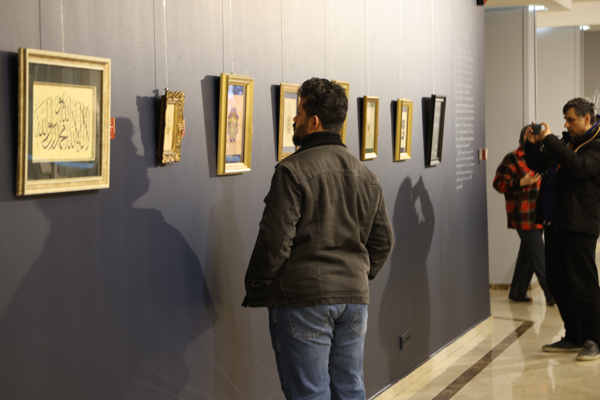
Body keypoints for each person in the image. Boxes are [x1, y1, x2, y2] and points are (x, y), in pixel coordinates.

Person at [242, 77, 393, 398]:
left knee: (310, 394)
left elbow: (274, 242)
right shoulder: (367, 176)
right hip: (354, 300)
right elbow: (383, 242)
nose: (293, 119)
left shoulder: (291, 171)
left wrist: (257, 284)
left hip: (303, 299)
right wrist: (356, 275)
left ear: (314, 122)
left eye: (297, 112)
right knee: (350, 389)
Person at [524, 98, 600, 361]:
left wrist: (550, 140)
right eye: (565, 119)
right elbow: (539, 165)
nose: (566, 124)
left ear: (587, 119)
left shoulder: (596, 144)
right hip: (556, 224)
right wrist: (532, 144)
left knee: (583, 285)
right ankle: (574, 336)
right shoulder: (568, 143)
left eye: (570, 120)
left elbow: (579, 167)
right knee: (559, 283)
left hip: (580, 226)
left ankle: (595, 339)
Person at [492, 127, 555, 306]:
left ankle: (517, 292)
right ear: (525, 138)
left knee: (527, 254)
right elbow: (498, 184)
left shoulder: (543, 156)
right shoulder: (512, 158)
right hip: (523, 215)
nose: (537, 138)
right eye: (533, 135)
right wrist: (521, 182)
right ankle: (553, 295)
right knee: (540, 255)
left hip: (540, 213)